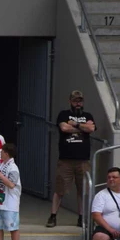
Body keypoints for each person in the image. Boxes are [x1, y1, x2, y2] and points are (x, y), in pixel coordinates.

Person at [48, 90, 95, 227]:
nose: (78, 103)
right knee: (60, 189)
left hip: (83, 161)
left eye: (80, 101)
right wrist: (83, 129)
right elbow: (63, 128)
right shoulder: (63, 114)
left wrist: (74, 124)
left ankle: (81, 217)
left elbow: (91, 128)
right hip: (65, 160)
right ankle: (53, 216)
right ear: (70, 101)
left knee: (82, 190)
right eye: (75, 101)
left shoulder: (88, 115)